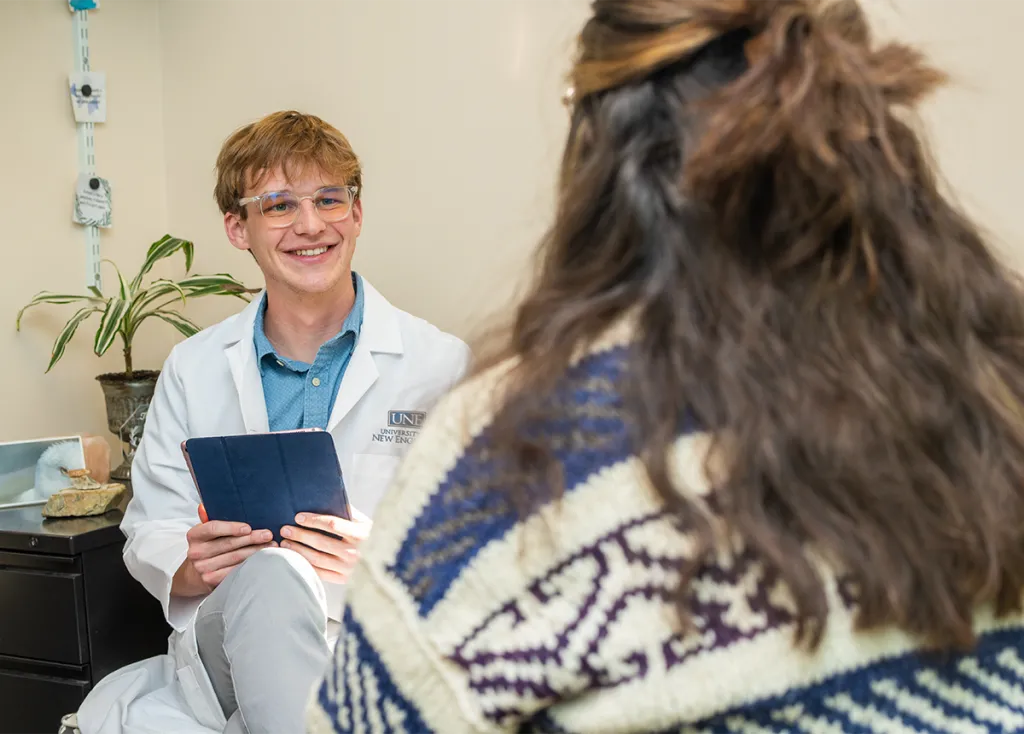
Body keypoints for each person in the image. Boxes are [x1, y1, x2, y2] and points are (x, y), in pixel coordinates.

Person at [307, 1, 1024, 732]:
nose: (309, 225)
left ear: (597, 137)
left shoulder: (523, 454)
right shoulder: (996, 391)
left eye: (328, 201)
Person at [74, 111, 470, 734]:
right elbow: (152, 524)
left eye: (329, 199)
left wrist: (387, 558)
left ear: (357, 214)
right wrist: (188, 564)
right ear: (239, 227)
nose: (310, 225)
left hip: (373, 635)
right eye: (279, 205)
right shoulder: (195, 367)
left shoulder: (440, 364)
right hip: (225, 638)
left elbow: (483, 539)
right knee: (271, 572)